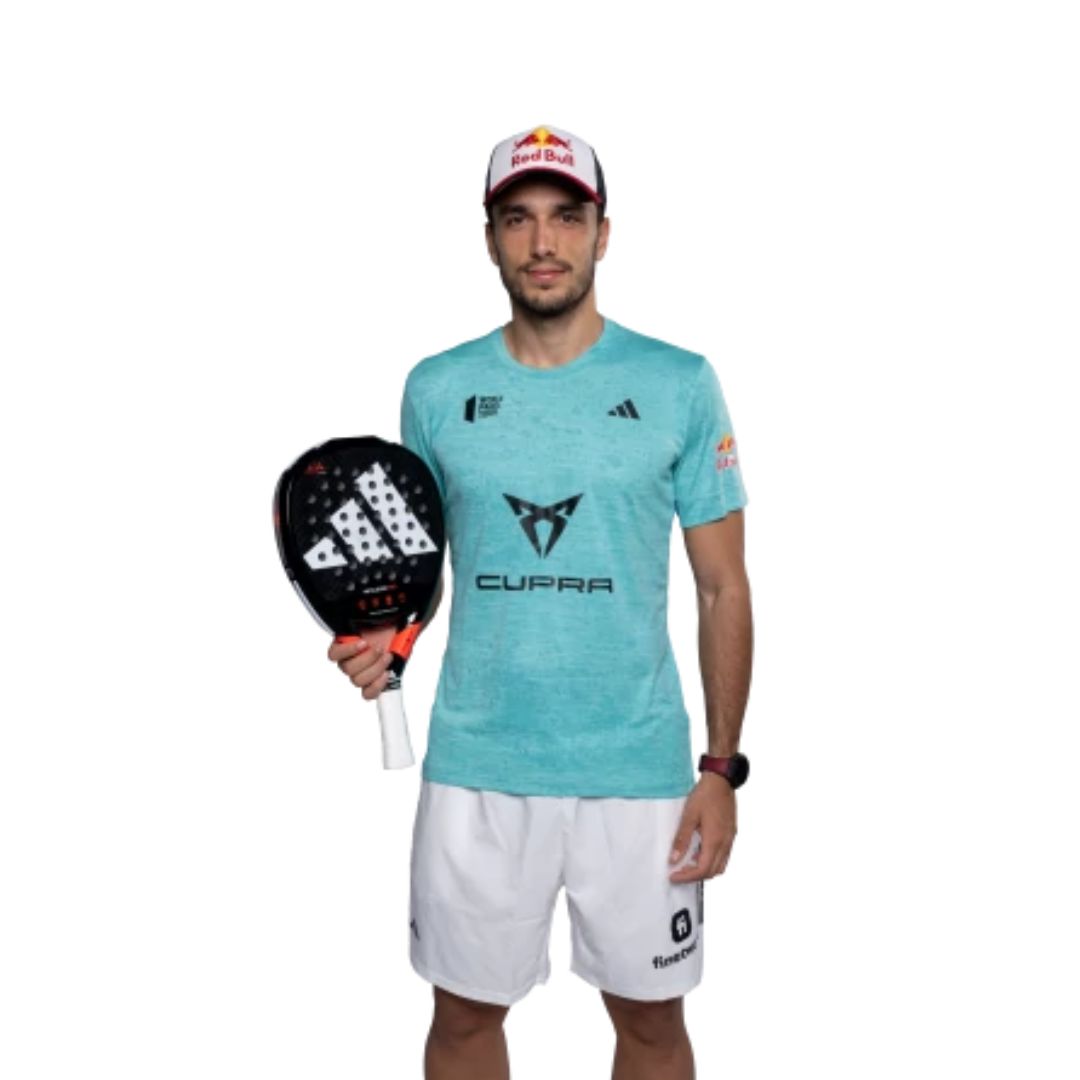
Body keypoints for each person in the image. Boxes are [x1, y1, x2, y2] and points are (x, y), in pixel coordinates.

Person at [328, 124, 753, 1080]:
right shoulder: (437, 389)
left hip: (639, 772)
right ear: (490, 239)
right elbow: (424, 564)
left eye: (567, 217)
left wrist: (721, 769)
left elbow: (723, 585)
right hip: (479, 764)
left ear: (604, 233)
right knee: (463, 1018)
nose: (543, 242)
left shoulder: (680, 383)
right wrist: (389, 639)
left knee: (652, 1025)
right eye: (517, 219)